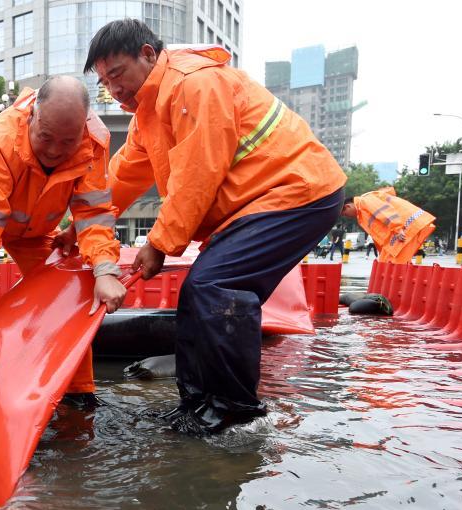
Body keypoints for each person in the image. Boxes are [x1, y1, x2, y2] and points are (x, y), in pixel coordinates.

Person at [88, 19, 345, 435]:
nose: (114, 89)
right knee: (200, 290)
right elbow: (120, 180)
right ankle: (197, 403)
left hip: (298, 191)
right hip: (258, 203)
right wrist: (79, 225)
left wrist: (159, 243)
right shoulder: (148, 116)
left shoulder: (194, 84)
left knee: (217, 287)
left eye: (118, 74)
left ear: (148, 55)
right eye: (105, 82)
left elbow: (197, 176)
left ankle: (235, 411)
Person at [0, 75, 127, 394]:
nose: (55, 151)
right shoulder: (0, 139)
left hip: (35, 223)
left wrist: (105, 269)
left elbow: (93, 212)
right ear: (32, 117)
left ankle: (78, 391)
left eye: (67, 142)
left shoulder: (94, 144)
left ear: (82, 131)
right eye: (46, 137)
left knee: (67, 292)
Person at [340, 187, 435, 264]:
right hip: (404, 230)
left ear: (348, 206)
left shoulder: (364, 201)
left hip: (406, 229)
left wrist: (397, 229)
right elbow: (379, 235)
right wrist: (383, 251)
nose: (347, 216)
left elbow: (384, 212)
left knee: (394, 264)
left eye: (344, 214)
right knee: (389, 262)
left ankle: (400, 286)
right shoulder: (362, 211)